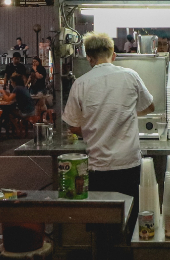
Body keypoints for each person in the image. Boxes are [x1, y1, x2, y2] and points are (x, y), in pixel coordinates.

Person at [63, 32, 154, 234]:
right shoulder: (130, 75)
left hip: (98, 168)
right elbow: (149, 107)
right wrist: (125, 112)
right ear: (113, 55)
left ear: (89, 58)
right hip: (129, 165)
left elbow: (72, 125)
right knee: (131, 225)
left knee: (103, 228)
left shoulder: (80, 83)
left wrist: (94, 123)